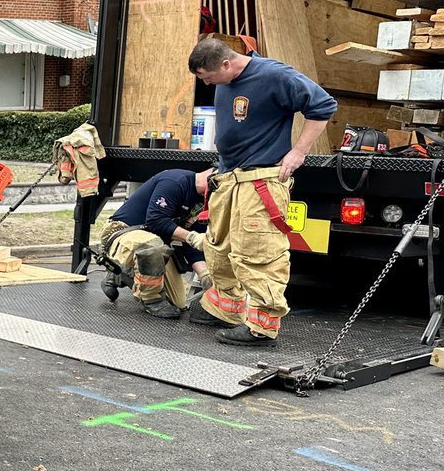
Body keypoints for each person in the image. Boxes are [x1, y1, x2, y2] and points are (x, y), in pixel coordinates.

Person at [187, 37, 337, 347]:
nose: (206, 83)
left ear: (226, 64)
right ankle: (226, 308)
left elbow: (323, 106)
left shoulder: (274, 75)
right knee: (221, 247)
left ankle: (261, 325)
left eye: (207, 77)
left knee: (259, 252)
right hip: (230, 179)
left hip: (261, 181)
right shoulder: (225, 78)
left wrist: (299, 151)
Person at [98, 168, 214, 318]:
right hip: (122, 232)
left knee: (179, 302)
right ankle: (152, 300)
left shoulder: (203, 202)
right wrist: (192, 237)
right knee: (152, 245)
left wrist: (204, 274)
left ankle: (122, 274)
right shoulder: (174, 181)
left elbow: (193, 247)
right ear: (213, 177)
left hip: (156, 247)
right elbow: (156, 221)